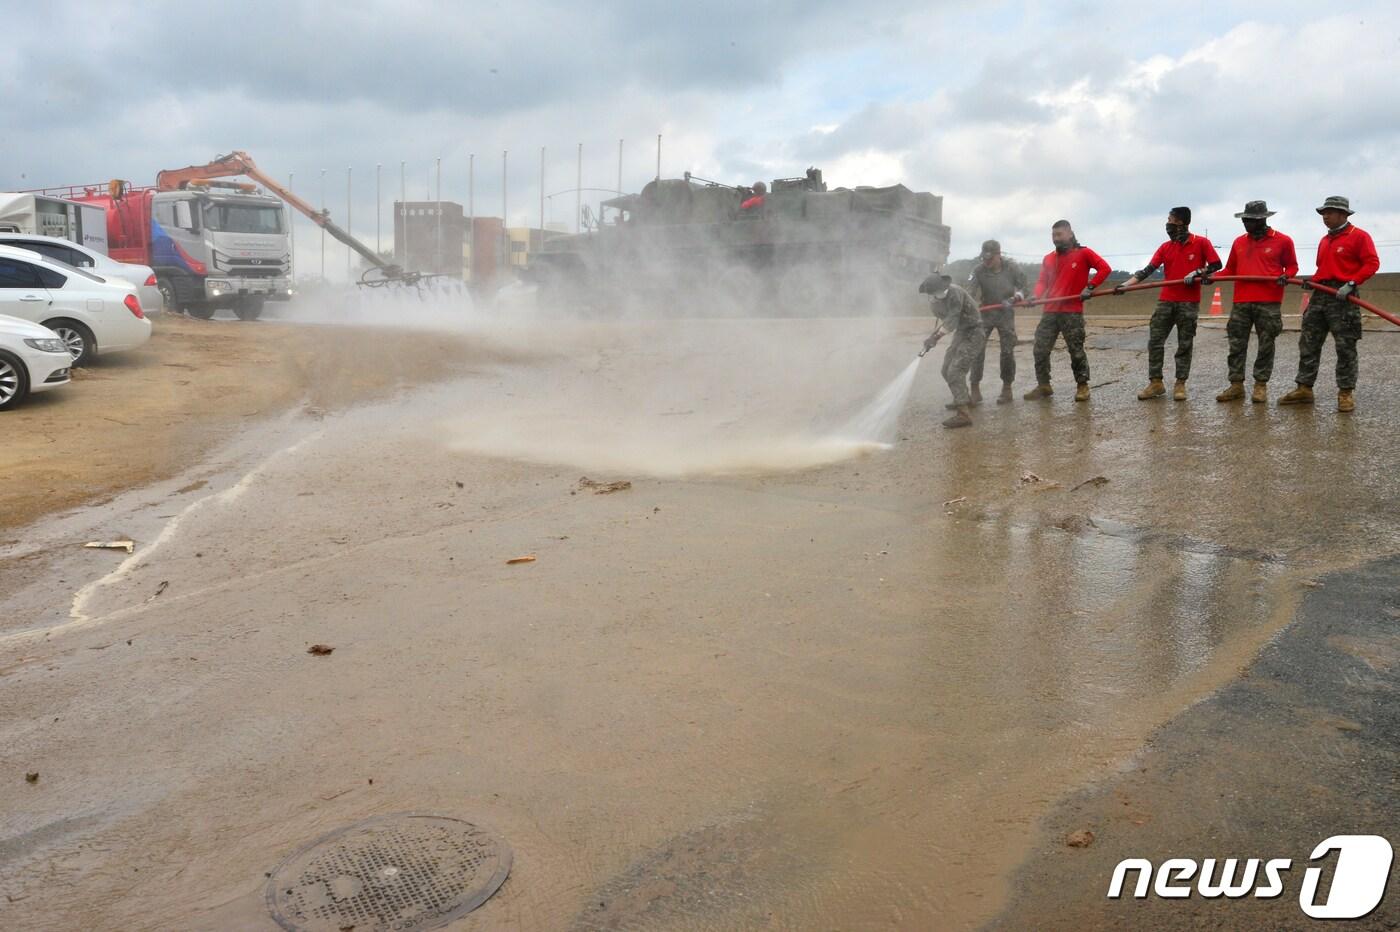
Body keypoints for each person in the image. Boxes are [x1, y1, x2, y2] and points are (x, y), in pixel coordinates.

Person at [1279, 196, 1381, 412]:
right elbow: (1323, 268)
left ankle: (1345, 392)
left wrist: (1352, 283)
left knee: (1345, 347)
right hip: (1320, 295)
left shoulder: (1359, 236)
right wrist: (1312, 281)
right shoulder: (1325, 240)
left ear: (1343, 214)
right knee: (1309, 342)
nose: (1325, 217)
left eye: (1330, 212)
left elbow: (1372, 263)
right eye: (1323, 213)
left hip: (1343, 297)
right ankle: (1304, 388)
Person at [1114, 207, 1221, 401]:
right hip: (1166, 301)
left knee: (1185, 344)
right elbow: (1147, 270)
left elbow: (1216, 265)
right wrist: (1125, 285)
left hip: (1188, 303)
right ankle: (1156, 383)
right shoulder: (1165, 247)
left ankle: (1180, 384)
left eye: (1170, 219)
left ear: (1180, 222)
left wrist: (1197, 272)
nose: (1168, 223)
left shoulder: (1201, 243)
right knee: (1155, 341)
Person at [1213, 200, 1299, 404]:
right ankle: (1236, 385)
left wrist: (1286, 276)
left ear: (1262, 220)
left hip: (1268, 302)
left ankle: (1261, 385)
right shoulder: (1239, 242)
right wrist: (1211, 276)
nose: (1245, 223)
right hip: (1241, 302)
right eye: (1244, 219)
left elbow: (1292, 267)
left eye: (1249, 220)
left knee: (1266, 345)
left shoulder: (1283, 241)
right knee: (1236, 344)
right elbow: (1230, 270)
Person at [1024, 220, 1111, 401]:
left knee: (1076, 350)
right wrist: (1036, 296)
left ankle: (1082, 386)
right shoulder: (1048, 258)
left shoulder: (1084, 253)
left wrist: (1090, 287)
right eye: (1053, 236)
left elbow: (1105, 268)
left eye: (1059, 235)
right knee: (1040, 349)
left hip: (1072, 311)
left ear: (1070, 234)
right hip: (1050, 311)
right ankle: (1044, 385)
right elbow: (1042, 282)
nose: (1056, 239)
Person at [919, 271, 987, 428]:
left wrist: (936, 338)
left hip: (974, 331)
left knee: (955, 371)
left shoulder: (955, 292)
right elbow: (945, 322)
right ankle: (964, 398)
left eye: (940, 290)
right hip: (961, 333)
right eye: (935, 293)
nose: (939, 294)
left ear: (945, 285)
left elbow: (953, 319)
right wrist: (932, 338)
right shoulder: (934, 304)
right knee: (945, 369)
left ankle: (963, 414)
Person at [965, 239, 1027, 405]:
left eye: (989, 259)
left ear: (999, 255)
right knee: (977, 349)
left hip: (1005, 312)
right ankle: (975, 389)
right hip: (985, 312)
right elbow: (969, 291)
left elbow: (1024, 287)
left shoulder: (1012, 267)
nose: (986, 262)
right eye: (984, 259)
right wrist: (970, 305)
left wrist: (1016, 297)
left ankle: (1007, 389)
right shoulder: (978, 270)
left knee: (1007, 351)